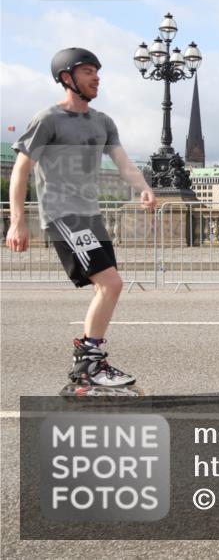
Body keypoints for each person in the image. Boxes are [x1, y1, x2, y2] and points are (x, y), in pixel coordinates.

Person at [5, 48, 156, 391]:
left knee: (109, 287)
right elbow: (21, 171)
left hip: (91, 215)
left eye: (97, 72)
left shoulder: (103, 122)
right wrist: (17, 221)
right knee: (111, 284)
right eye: (88, 71)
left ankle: (86, 365)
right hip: (63, 214)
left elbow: (122, 162)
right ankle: (89, 364)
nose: (96, 77)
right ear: (66, 78)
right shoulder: (48, 119)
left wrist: (143, 188)